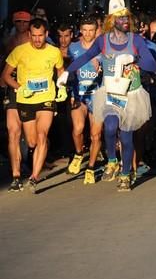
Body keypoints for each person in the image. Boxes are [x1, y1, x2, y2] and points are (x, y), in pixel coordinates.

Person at [63, 0, 156, 192]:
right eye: (118, 18)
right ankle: (112, 160)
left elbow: (152, 64)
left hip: (131, 94)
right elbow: (86, 56)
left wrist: (136, 60)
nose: (122, 21)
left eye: (124, 17)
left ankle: (125, 175)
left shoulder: (136, 41)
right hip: (110, 92)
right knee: (109, 127)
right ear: (110, 20)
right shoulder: (103, 41)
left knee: (125, 137)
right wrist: (67, 72)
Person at [2, 18, 65, 193]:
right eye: (34, 36)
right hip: (26, 100)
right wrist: (20, 88)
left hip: (46, 98)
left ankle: (34, 177)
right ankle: (39, 154)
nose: (37, 39)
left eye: (41, 36)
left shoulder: (54, 52)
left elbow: (60, 71)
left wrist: (61, 86)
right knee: (32, 141)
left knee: (42, 134)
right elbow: (6, 76)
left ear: (46, 34)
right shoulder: (19, 51)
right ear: (29, 35)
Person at [66, 15, 103, 184]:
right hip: (78, 94)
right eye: (85, 30)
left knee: (95, 134)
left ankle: (91, 167)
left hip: (97, 95)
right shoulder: (73, 47)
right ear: (80, 30)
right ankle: (79, 153)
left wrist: (101, 68)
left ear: (97, 31)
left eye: (91, 30)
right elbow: (65, 67)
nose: (88, 34)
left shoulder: (102, 49)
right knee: (78, 129)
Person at [2, 10, 32, 191]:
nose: (21, 25)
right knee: (13, 131)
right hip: (12, 88)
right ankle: (16, 174)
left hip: (33, 91)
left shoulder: (37, 40)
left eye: (24, 22)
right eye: (18, 22)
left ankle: (31, 159)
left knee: (32, 137)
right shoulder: (9, 40)